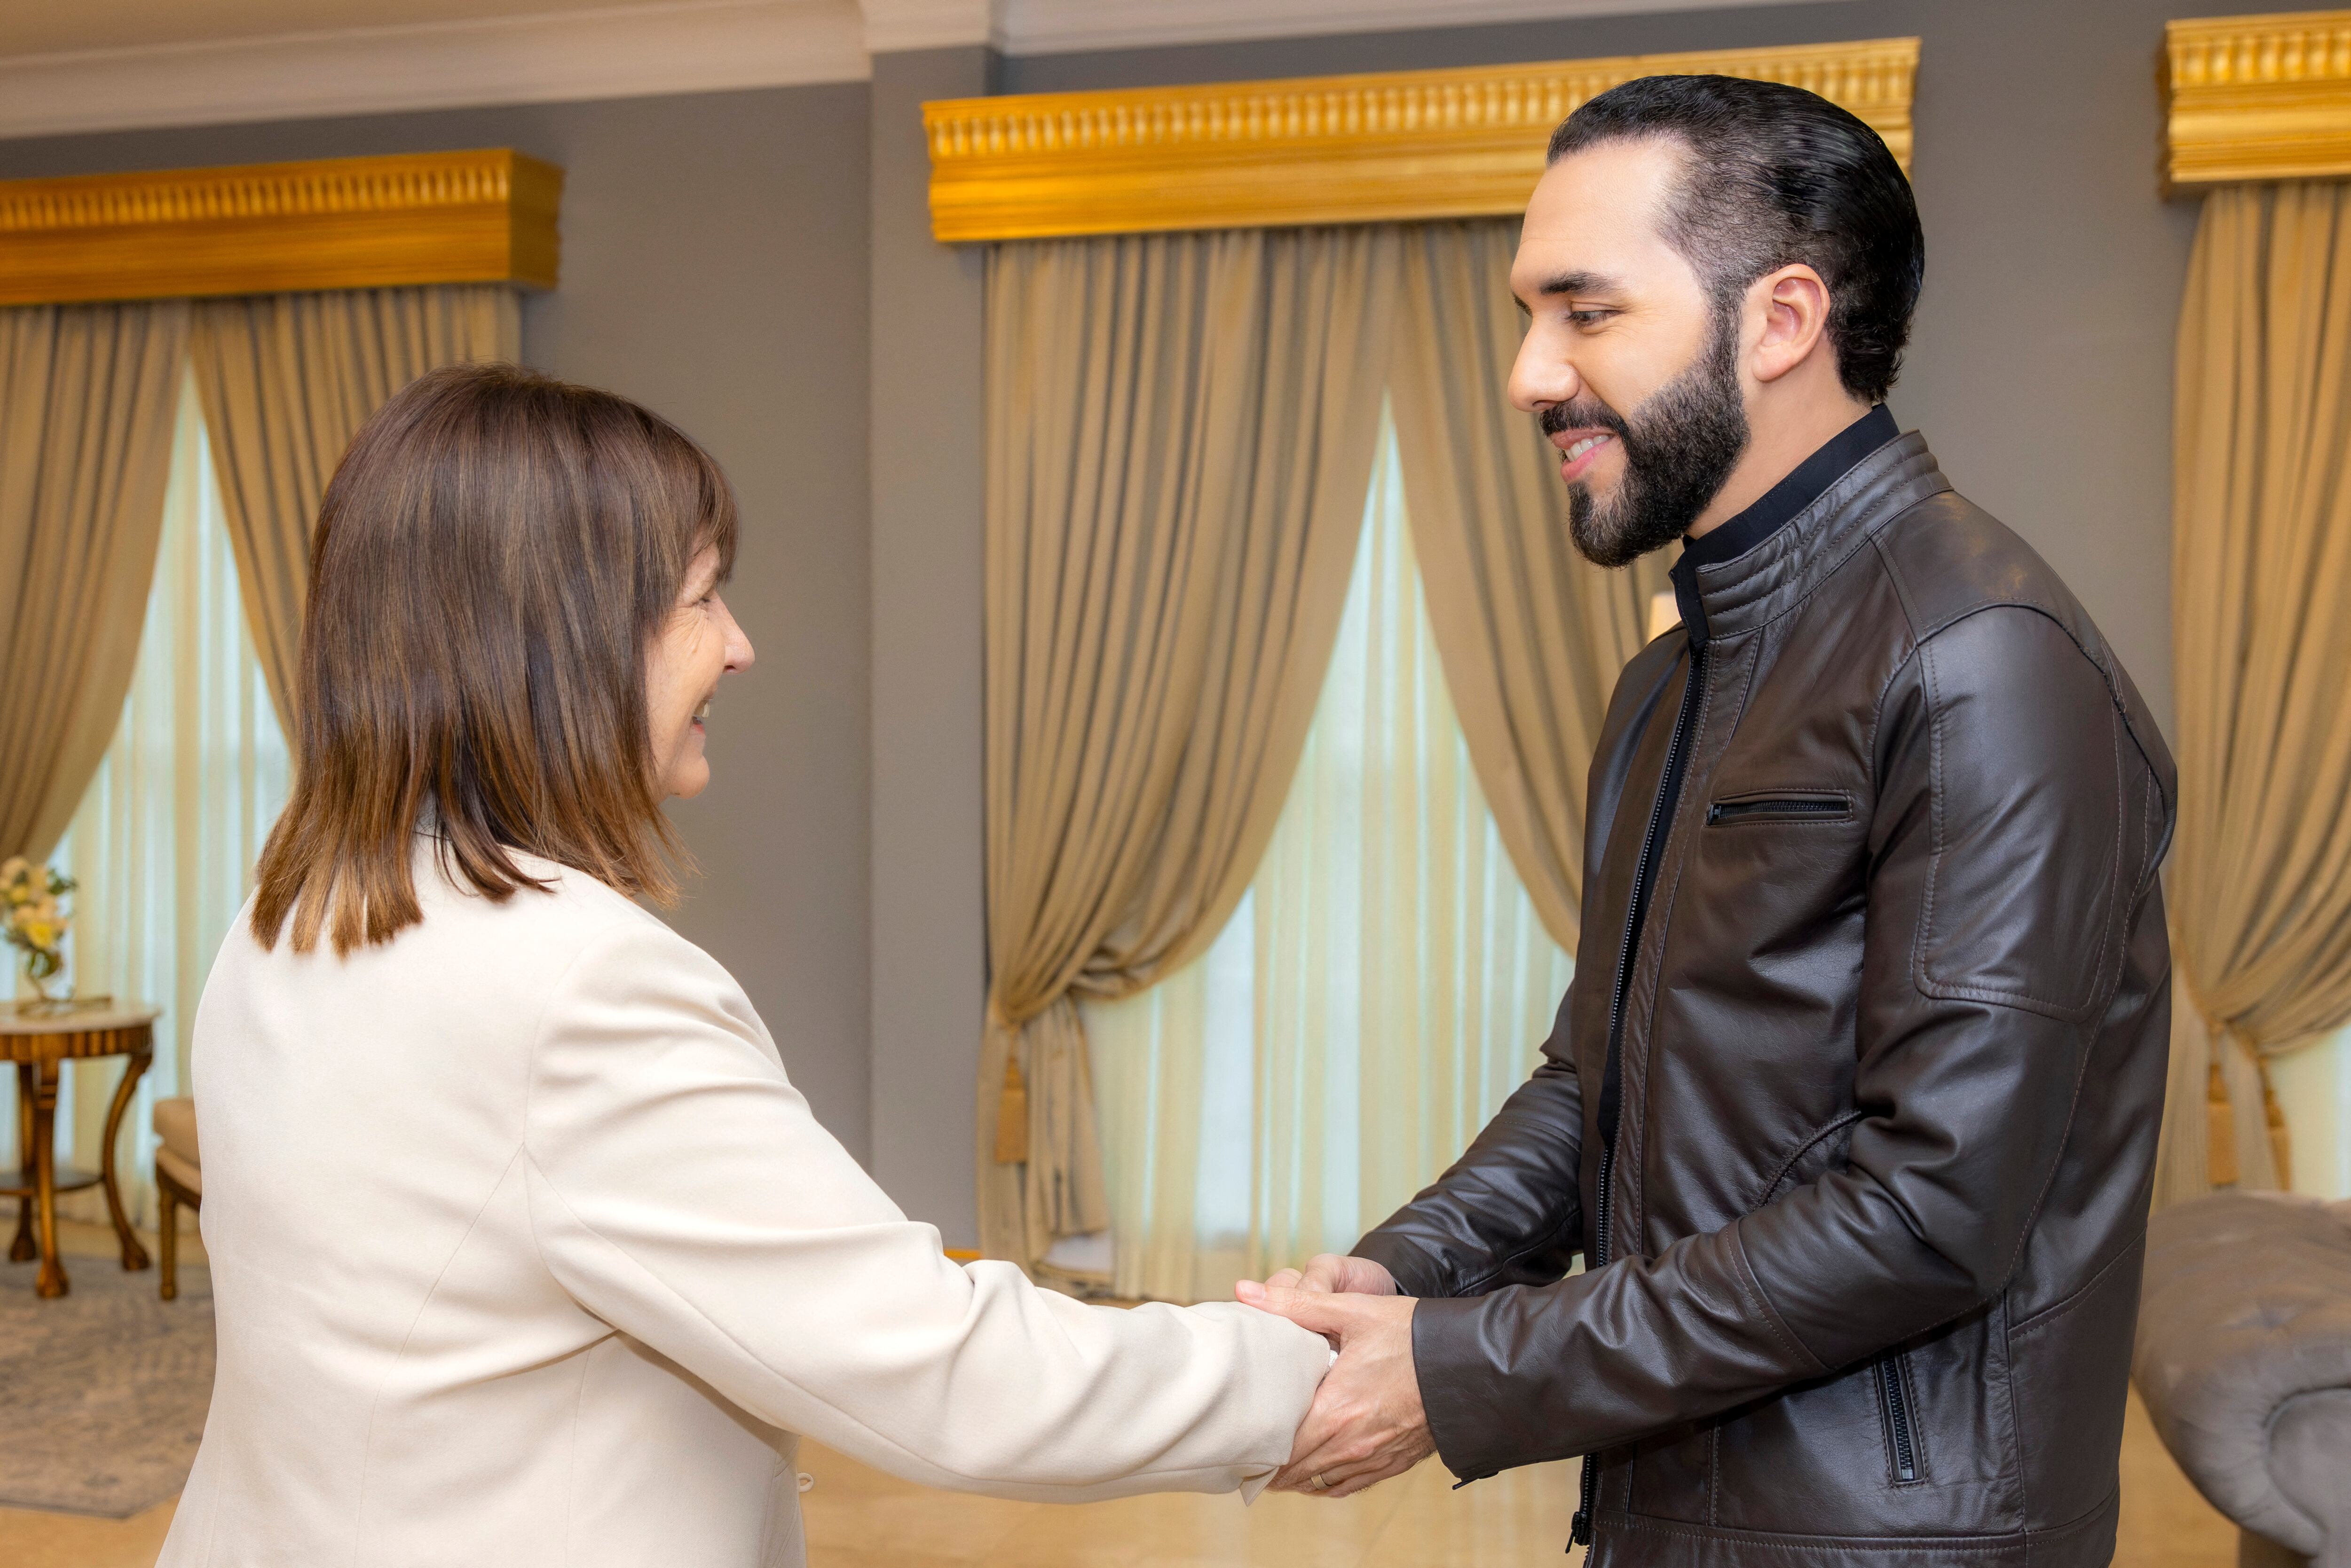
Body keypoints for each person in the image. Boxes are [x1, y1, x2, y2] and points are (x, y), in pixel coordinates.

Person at [159, 364, 1328, 1568]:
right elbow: (936, 1368)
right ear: (561, 637)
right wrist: (1301, 1371)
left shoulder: (285, 912)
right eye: (703, 600)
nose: (741, 647)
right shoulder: (578, 987)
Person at [1237, 74, 2177, 1568]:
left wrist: (1464, 1371)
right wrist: (1390, 1276)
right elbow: (1590, 1080)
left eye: (1586, 313)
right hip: (1679, 1501)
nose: (1529, 375)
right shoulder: (1676, 676)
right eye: (1528, 316)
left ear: (1783, 320)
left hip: (1886, 1543)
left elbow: (1935, 1209)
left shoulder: (1982, 654)